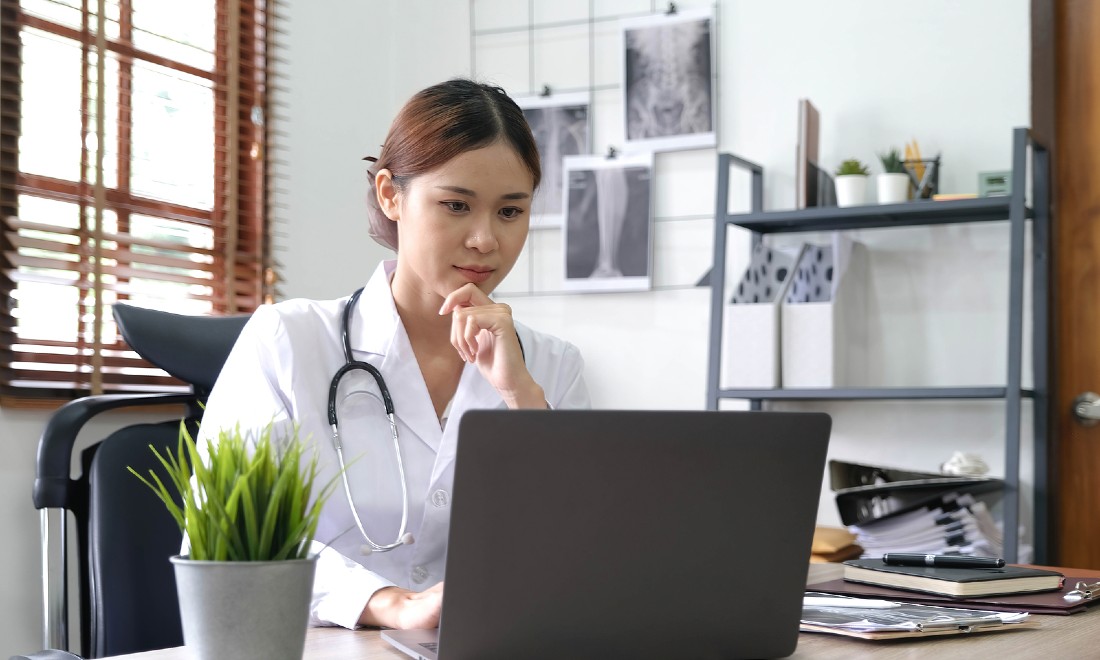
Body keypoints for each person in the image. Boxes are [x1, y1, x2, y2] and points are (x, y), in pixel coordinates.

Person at [195, 79, 590, 631]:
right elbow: (225, 534)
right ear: (391, 195)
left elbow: (582, 554)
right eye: (456, 205)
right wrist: (392, 603)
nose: (485, 240)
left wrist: (520, 397)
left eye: (509, 211)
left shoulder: (551, 368)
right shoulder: (288, 340)